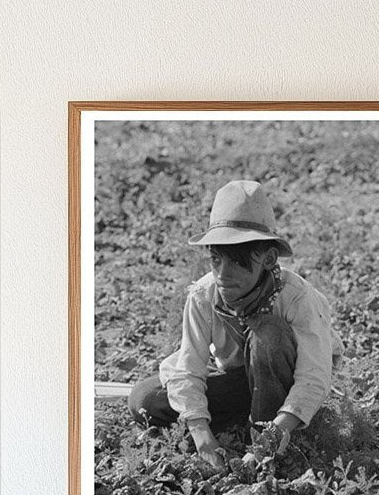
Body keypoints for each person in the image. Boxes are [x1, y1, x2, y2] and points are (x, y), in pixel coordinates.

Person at [128, 180, 339, 468]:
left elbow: (313, 377)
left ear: (269, 259)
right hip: (241, 379)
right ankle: (242, 416)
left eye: (238, 262)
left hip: (285, 379)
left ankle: (265, 434)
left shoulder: (297, 298)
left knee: (269, 334)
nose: (223, 274)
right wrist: (201, 435)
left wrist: (277, 430)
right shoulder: (204, 295)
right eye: (216, 260)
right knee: (145, 399)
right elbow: (189, 369)